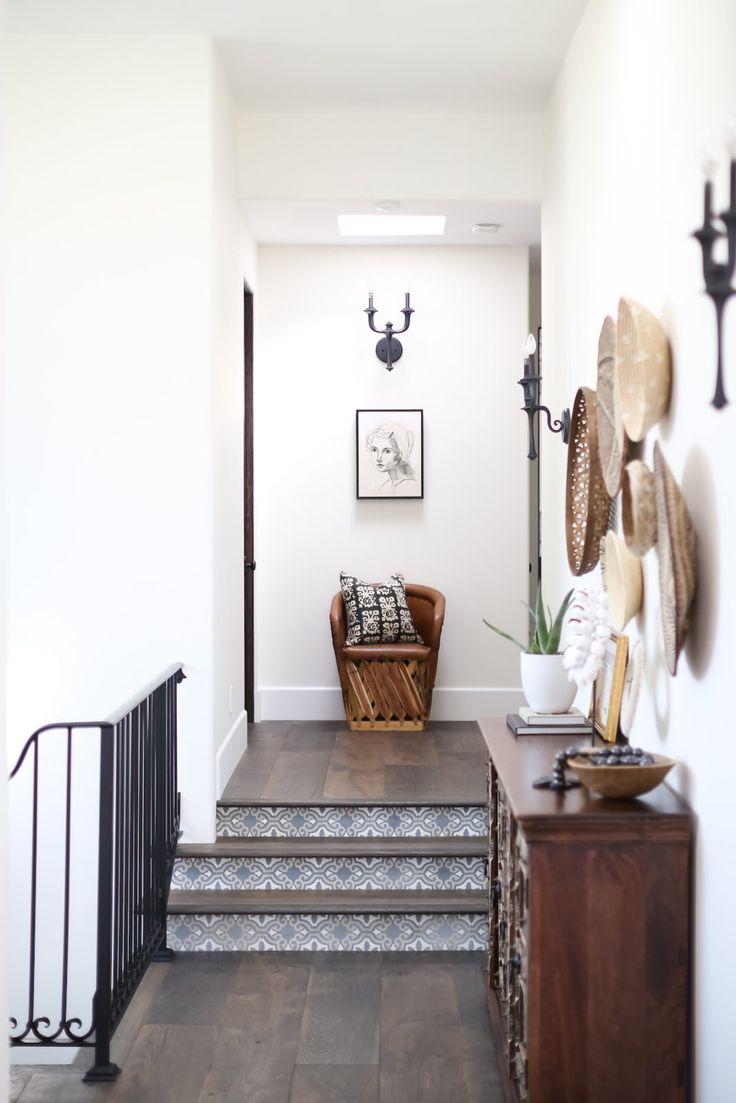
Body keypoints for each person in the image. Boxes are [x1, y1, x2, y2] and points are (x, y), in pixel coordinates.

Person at [365, 421, 419, 495]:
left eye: (387, 451)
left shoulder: (411, 486)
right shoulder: (385, 487)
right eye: (374, 450)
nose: (378, 458)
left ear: (400, 452)